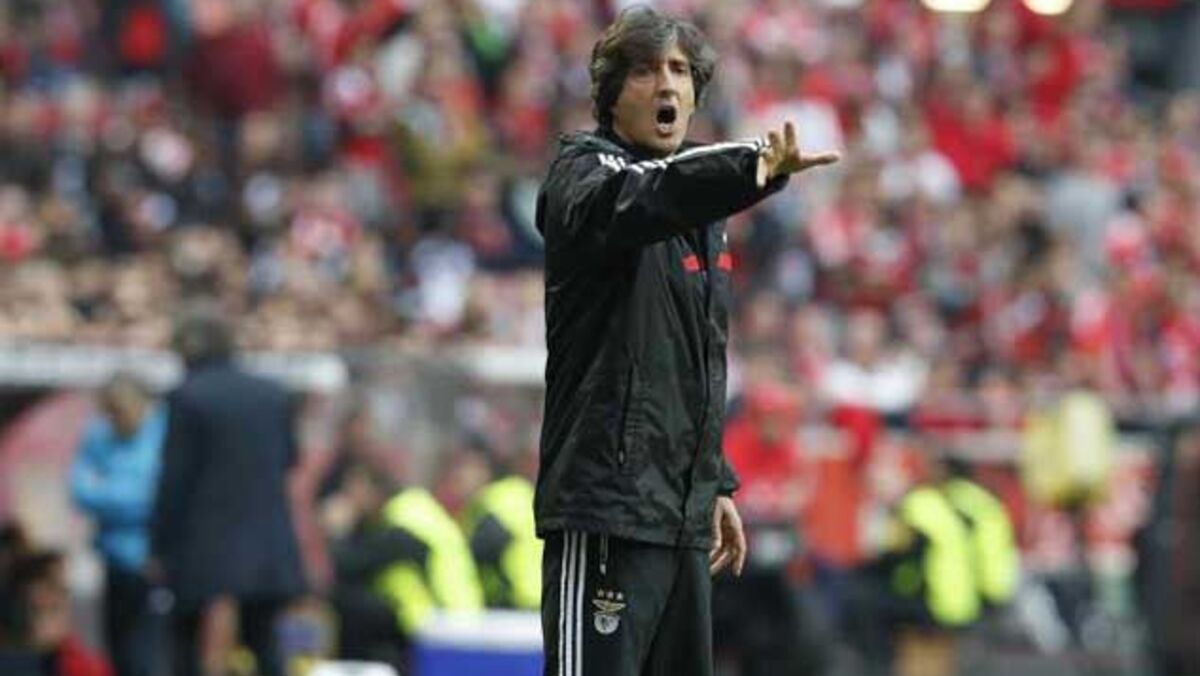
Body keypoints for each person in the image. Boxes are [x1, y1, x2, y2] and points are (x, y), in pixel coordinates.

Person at [533, 7, 839, 676]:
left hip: (679, 516)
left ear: (696, 92)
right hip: (607, 509)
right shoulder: (582, 173)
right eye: (645, 70)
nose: (666, 84)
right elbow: (644, 196)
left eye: (678, 70)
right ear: (612, 91)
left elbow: (688, 364)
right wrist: (749, 165)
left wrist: (712, 483)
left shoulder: (700, 213)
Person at [150, 303, 306, 676]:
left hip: (204, 545)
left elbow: (174, 480)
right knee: (265, 645)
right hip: (267, 543)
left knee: (185, 644)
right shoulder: (272, 394)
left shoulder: (188, 397)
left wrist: (159, 546)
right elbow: (290, 459)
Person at [325, 462, 482, 671]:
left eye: (352, 491)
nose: (349, 500)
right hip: (446, 616)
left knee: (345, 601)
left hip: (440, 624)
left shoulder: (403, 522)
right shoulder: (416, 509)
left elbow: (349, 564)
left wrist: (337, 531)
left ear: (372, 489)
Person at [69, 373, 167, 676]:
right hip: (114, 557)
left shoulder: (161, 434)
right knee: (117, 648)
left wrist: (110, 493)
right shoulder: (99, 435)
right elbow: (80, 490)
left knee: (149, 652)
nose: (116, 419)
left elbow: (158, 497)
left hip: (153, 561)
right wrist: (132, 498)